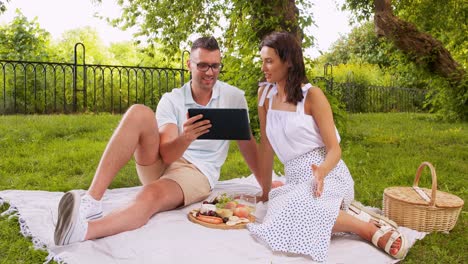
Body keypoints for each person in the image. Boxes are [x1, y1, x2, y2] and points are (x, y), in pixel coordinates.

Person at [54, 36, 259, 246]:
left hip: (197, 172)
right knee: (139, 112)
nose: (209, 72)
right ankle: (92, 201)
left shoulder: (233, 97)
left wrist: (266, 187)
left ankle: (83, 231)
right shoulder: (172, 99)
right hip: (165, 159)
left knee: (150, 194)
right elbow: (168, 154)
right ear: (189, 64)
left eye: (215, 66)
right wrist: (186, 137)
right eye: (203, 65)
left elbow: (246, 142)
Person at [247, 31, 409, 262]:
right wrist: (264, 191)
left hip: (327, 175)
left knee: (293, 208)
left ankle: (365, 228)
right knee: (277, 207)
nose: (264, 67)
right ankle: (342, 214)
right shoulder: (264, 94)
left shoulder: (312, 96)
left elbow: (335, 149)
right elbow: (266, 145)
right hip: (295, 178)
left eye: (269, 60)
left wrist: (321, 171)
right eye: (262, 60)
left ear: (289, 61)